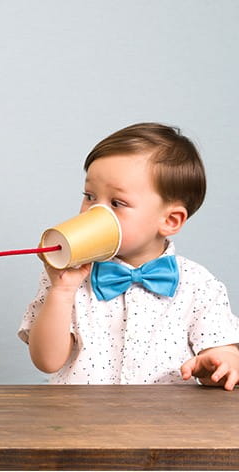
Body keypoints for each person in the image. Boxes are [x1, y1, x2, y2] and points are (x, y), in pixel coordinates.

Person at [18, 122, 239, 390]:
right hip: (78, 422)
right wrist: (62, 291)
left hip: (166, 424)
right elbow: (46, 361)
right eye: (89, 196)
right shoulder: (67, 277)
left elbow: (225, 351)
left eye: (116, 203)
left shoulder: (199, 285)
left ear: (170, 220)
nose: (93, 212)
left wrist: (219, 361)